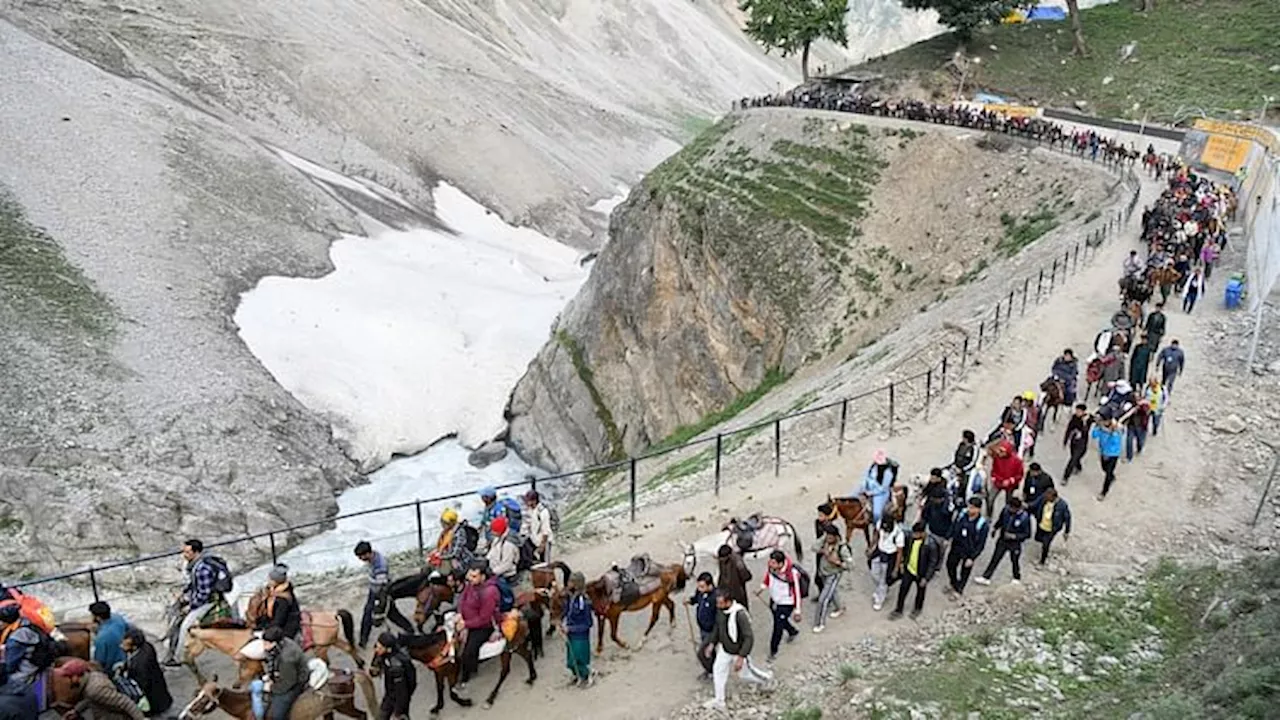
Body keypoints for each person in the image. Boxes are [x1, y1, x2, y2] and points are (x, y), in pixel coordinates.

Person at [701, 588, 772, 711]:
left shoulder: (740, 615)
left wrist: (741, 657)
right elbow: (718, 628)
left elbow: (749, 637)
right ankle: (719, 700)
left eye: (720, 603)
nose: (717, 605)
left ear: (728, 602)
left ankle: (766, 679)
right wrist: (712, 643)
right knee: (718, 671)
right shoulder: (721, 611)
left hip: (738, 651)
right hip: (725, 649)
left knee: (745, 674)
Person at [166, 538, 234, 666]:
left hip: (207, 602)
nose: (184, 555)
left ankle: (178, 657)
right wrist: (184, 593)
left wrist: (190, 606)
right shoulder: (196, 565)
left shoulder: (203, 569)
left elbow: (204, 594)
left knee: (185, 626)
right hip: (199, 597)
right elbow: (194, 583)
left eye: (187, 552)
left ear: (195, 552)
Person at [354, 541, 411, 648]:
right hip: (374, 590)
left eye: (361, 556)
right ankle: (363, 639)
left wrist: (378, 599)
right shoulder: (373, 558)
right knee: (368, 613)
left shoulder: (380, 565)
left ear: (367, 553)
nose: (360, 559)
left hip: (381, 593)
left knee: (392, 615)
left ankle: (409, 629)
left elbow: (381, 583)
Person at [457, 562, 500, 693]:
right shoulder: (471, 585)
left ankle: (465, 678)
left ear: (483, 576)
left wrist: (466, 625)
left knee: (468, 651)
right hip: (465, 620)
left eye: (474, 576)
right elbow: (462, 599)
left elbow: (484, 618)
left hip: (483, 626)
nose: (470, 579)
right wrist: (459, 614)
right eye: (470, 575)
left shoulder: (489, 592)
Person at [56, 659, 145, 720]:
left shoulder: (94, 689)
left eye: (67, 677)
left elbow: (125, 703)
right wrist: (76, 711)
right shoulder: (92, 677)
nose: (66, 681)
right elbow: (90, 699)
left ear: (76, 677)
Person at [973, 496, 1032, 586]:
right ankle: (986, 577)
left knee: (1014, 560)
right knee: (995, 558)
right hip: (1003, 540)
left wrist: (1015, 536)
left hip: (1014, 543)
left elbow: (1027, 534)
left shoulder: (1024, 518)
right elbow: (1000, 520)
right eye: (1009, 507)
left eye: (1012, 508)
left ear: (1017, 508)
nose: (1010, 509)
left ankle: (1016, 577)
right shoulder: (1005, 511)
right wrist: (995, 528)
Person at [890, 522, 940, 621]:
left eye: (916, 534)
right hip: (909, 570)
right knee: (903, 590)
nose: (914, 535)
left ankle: (917, 609)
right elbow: (906, 551)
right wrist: (903, 563)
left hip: (921, 573)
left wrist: (926, 578)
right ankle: (898, 609)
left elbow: (932, 563)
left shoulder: (931, 544)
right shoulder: (911, 538)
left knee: (920, 592)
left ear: (922, 533)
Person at [756, 551, 801, 661]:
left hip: (786, 603)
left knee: (777, 627)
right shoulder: (772, 568)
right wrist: (762, 587)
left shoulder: (792, 573)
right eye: (770, 562)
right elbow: (768, 577)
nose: (771, 564)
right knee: (779, 619)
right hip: (774, 600)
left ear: (781, 564)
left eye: (774, 563)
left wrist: (797, 610)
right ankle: (792, 631)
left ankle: (773, 650)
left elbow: (797, 591)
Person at [122, 627, 172, 718]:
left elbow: (141, 684)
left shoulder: (139, 664)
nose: (122, 646)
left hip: (151, 693)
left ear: (134, 647)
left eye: (126, 645)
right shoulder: (147, 646)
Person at [262, 626, 309, 720]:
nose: (264, 646)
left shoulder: (287, 658)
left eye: (267, 643)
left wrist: (271, 687)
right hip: (283, 672)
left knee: (278, 715)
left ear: (276, 643)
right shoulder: (281, 643)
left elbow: (289, 682)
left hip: (296, 681)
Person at [0, 602, 50, 687]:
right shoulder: (26, 622)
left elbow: (10, 666)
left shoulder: (17, 638)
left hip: (26, 671)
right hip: (37, 659)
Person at [945, 498, 988, 596]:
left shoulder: (982, 524)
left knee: (965, 572)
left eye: (972, 508)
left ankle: (959, 590)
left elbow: (981, 544)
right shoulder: (962, 515)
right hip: (957, 546)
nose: (969, 509)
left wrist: (972, 558)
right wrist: (948, 538)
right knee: (950, 565)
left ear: (978, 509)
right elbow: (954, 526)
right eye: (969, 506)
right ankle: (954, 583)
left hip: (969, 551)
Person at [812, 526, 851, 633]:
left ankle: (819, 623)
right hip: (823, 572)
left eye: (830, 537)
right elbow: (814, 547)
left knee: (823, 599)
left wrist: (838, 562)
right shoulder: (825, 542)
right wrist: (823, 547)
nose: (827, 539)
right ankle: (840, 607)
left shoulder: (842, 548)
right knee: (832, 592)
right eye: (826, 536)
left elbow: (850, 565)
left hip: (833, 574)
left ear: (835, 537)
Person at [373, 632, 416, 719]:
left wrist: (398, 712)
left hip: (397, 698)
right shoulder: (387, 654)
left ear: (388, 649)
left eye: (379, 647)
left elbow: (402, 691)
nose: (376, 649)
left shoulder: (396, 667)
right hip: (390, 694)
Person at [561, 571, 594, 687]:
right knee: (570, 660)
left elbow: (588, 623)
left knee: (579, 658)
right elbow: (567, 612)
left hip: (580, 635)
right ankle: (577, 675)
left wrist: (571, 629)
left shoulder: (583, 601)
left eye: (571, 582)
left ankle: (588, 674)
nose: (568, 584)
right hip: (570, 633)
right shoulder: (570, 597)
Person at [867, 515, 904, 612]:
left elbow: (899, 552)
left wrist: (896, 568)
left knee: (884, 578)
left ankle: (879, 599)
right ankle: (882, 589)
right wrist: (871, 547)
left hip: (890, 556)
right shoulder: (880, 523)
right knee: (874, 573)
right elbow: (876, 534)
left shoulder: (899, 534)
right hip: (879, 551)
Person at [1027, 488, 1072, 566]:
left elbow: (1067, 518)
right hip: (1041, 524)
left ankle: (1042, 561)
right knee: (1039, 538)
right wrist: (1026, 505)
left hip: (1051, 528)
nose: (1046, 498)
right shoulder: (1043, 499)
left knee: (1046, 544)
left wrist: (1067, 531)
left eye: (1048, 497)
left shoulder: (1062, 505)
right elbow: (1034, 504)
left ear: (1053, 497)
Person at [257, 565, 303, 640]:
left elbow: (278, 620)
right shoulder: (271, 591)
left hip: (287, 626)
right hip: (273, 623)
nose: (268, 581)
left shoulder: (283, 599)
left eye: (271, 580)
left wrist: (265, 629)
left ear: (277, 581)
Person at [485, 516, 521, 607]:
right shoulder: (497, 539)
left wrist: (493, 572)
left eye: (494, 531)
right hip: (494, 570)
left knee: (503, 599)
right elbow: (492, 552)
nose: (492, 533)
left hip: (505, 576)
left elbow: (507, 564)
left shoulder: (509, 544)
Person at [988, 431, 1024, 517]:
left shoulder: (1017, 461)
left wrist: (1010, 481)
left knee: (1008, 503)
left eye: (1002, 451)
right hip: (999, 482)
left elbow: (1020, 475)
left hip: (1009, 484)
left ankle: (1006, 517)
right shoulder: (997, 458)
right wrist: (994, 478)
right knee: (990, 499)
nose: (1000, 453)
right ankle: (989, 515)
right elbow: (994, 470)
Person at [429, 507, 473, 576]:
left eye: (444, 523)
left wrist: (440, 557)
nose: (442, 525)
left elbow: (455, 554)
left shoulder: (459, 533)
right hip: (447, 556)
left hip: (460, 560)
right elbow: (442, 546)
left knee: (442, 571)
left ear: (451, 523)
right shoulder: (446, 532)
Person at [859, 449, 899, 524]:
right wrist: (864, 486)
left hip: (880, 493)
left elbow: (883, 488)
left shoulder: (888, 473)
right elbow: (867, 476)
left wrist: (871, 493)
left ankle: (877, 525)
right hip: (870, 487)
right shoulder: (873, 467)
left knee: (876, 513)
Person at [89, 601, 129, 676]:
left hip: (111, 668)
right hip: (125, 657)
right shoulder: (118, 618)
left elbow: (99, 661)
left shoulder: (101, 638)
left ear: (97, 617)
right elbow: (128, 629)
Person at [1091, 415, 1125, 500]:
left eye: (1105, 421)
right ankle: (1112, 477)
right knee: (1104, 468)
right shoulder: (1101, 429)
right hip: (1103, 453)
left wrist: (1112, 432)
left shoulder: (1116, 430)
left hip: (1113, 454)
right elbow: (1094, 435)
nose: (1104, 422)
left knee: (1108, 473)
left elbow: (1116, 442)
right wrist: (1097, 427)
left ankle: (1104, 492)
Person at [1062, 404, 1092, 485]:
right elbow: (1069, 428)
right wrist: (1065, 440)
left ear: (1083, 412)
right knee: (1074, 458)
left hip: (1082, 442)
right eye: (1077, 410)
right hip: (1074, 441)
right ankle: (1078, 467)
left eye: (1079, 411)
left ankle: (1065, 477)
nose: (1077, 412)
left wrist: (1085, 421)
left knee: (1072, 459)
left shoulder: (1088, 419)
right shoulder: (1074, 417)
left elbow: (1086, 430)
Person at [715, 545, 752, 611]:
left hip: (726, 594)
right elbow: (746, 576)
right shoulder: (737, 560)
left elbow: (721, 577)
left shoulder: (721, 561)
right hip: (737, 594)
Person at [522, 490, 555, 563]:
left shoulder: (543, 512)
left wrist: (542, 545)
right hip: (534, 539)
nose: (526, 503)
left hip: (544, 541)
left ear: (534, 501)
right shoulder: (530, 510)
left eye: (528, 501)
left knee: (545, 562)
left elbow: (545, 530)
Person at [688, 573, 718, 647]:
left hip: (711, 630)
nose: (699, 589)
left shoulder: (716, 597)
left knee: (708, 649)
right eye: (698, 586)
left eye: (702, 587)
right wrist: (690, 601)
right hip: (702, 626)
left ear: (710, 585)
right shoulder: (700, 591)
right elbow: (696, 599)